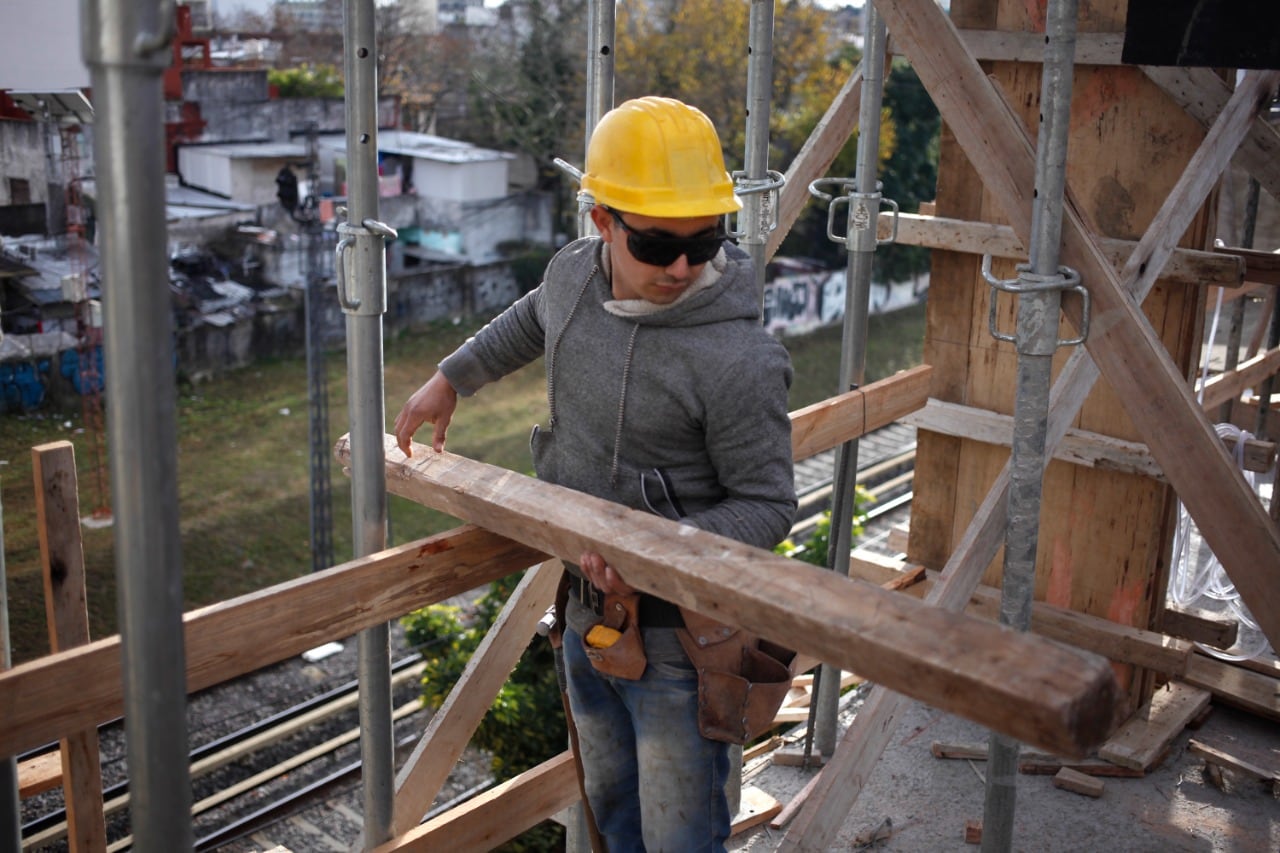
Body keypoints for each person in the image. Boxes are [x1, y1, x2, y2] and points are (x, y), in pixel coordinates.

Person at [393, 96, 796, 852]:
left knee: (680, 841)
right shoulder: (574, 276)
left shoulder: (739, 361)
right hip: (587, 615)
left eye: (705, 241)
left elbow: (768, 504)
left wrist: (649, 552)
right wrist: (453, 377)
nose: (682, 267)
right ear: (603, 221)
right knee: (613, 822)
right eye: (656, 244)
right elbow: (534, 316)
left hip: (681, 643)